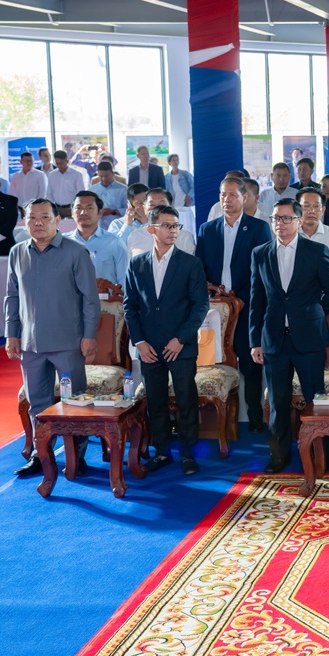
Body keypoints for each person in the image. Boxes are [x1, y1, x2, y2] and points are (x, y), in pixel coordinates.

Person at [5, 198, 100, 477]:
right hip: (30, 343)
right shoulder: (17, 252)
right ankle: (41, 455)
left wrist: (89, 336)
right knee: (38, 403)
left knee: (75, 403)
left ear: (58, 221)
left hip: (68, 342)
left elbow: (90, 299)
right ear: (24, 222)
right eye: (32, 218)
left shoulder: (75, 252)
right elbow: (11, 296)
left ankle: (77, 455)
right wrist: (11, 333)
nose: (38, 223)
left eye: (45, 217)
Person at [250, 198, 329, 472]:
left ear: (299, 221)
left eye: (286, 218)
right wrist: (255, 341)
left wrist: (313, 312)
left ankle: (319, 453)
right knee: (277, 401)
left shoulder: (316, 250)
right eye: (276, 218)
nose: (280, 223)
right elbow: (256, 300)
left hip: (308, 338)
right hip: (274, 339)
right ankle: (279, 455)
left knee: (315, 399)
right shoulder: (260, 253)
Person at [124, 205, 210, 476]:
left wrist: (181, 339)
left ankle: (188, 454)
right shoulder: (137, 264)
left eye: (176, 226)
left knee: (186, 401)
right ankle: (162, 452)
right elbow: (130, 306)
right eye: (167, 225)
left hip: (180, 347)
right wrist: (139, 342)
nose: (173, 230)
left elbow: (200, 306)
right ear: (151, 229)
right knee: (156, 401)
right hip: (149, 347)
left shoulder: (190, 263)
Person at [196, 177, 273, 434]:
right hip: (215, 310)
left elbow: (263, 270)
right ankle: (214, 420)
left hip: (247, 306)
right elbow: (199, 267)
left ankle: (254, 416)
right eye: (222, 195)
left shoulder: (259, 228)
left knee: (250, 364)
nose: (226, 200)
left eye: (232, 195)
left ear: (244, 197)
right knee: (213, 361)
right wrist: (211, 290)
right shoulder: (207, 229)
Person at [66, 191, 128, 284]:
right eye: (78, 208)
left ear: (100, 213)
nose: (83, 212)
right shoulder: (63, 242)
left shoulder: (114, 242)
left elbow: (124, 280)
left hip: (105, 293)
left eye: (89, 208)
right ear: (72, 213)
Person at [126, 189, 196, 257]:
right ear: (144, 208)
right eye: (152, 205)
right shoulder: (135, 236)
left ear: (171, 208)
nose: (157, 209)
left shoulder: (185, 237)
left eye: (162, 205)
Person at [46, 150, 87, 218]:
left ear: (67, 161)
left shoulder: (76, 175)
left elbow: (80, 193)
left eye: (61, 163)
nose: (59, 165)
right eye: (57, 163)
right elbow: (49, 193)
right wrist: (51, 207)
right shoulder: (52, 175)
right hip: (57, 208)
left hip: (71, 208)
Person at [89, 161, 128, 228]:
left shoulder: (123, 190)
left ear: (113, 174)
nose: (104, 179)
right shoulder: (92, 190)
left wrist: (113, 211)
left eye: (106, 176)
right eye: (101, 176)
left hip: (117, 227)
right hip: (97, 226)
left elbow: (129, 209)